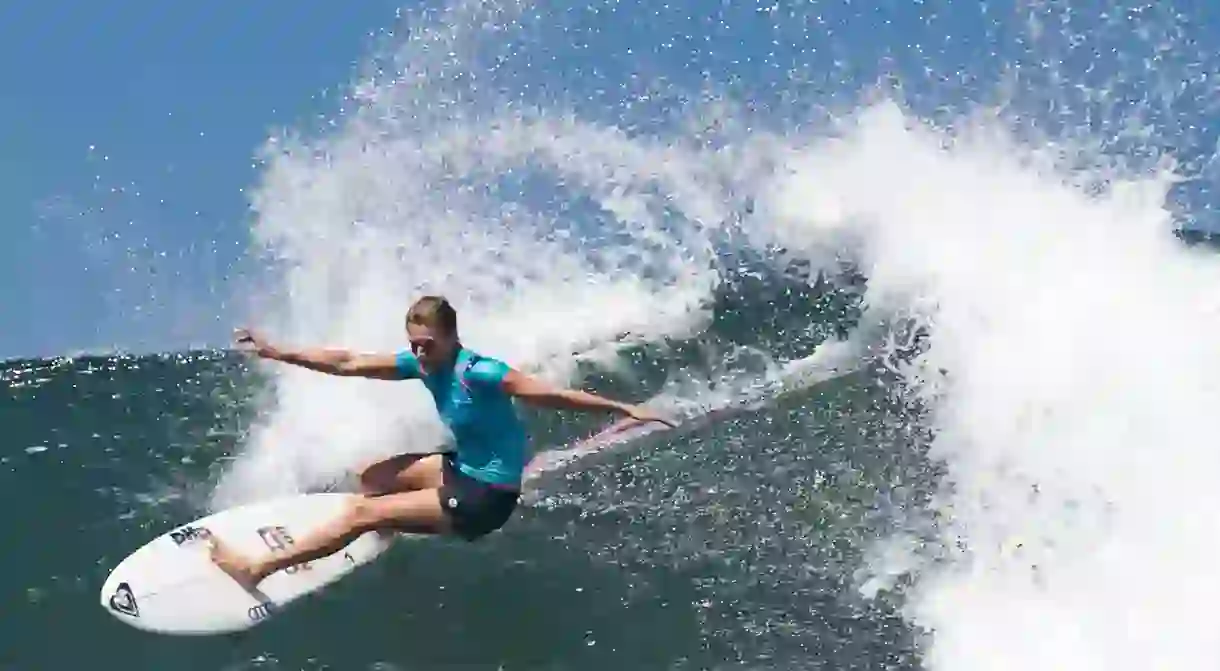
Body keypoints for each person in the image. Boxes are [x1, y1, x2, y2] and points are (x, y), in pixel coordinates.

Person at [207, 295, 677, 591]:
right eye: (412, 344)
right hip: (462, 467)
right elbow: (348, 362)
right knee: (370, 476)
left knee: (358, 510)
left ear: (452, 337)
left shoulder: (481, 372)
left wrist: (623, 409)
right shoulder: (423, 364)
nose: (418, 353)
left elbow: (550, 394)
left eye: (427, 344)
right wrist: (276, 351)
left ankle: (257, 569)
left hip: (485, 497)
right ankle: (380, 527)